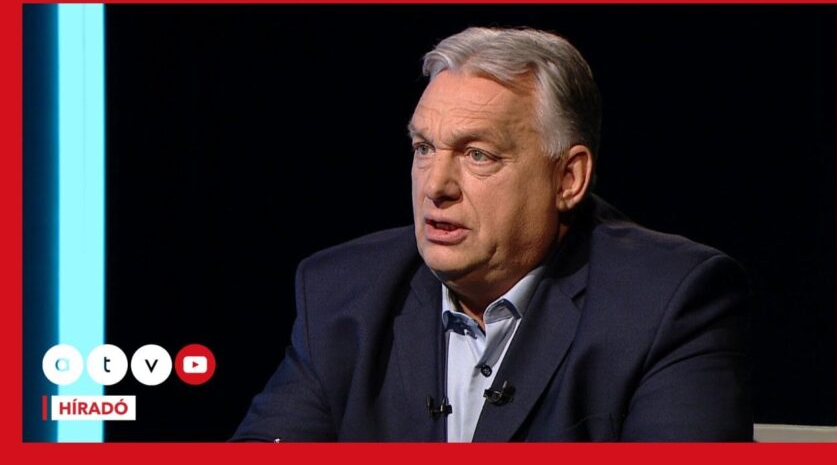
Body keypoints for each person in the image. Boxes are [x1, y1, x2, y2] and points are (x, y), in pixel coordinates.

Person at [231, 26, 752, 442]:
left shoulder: (666, 302)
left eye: (478, 154)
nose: (436, 186)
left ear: (568, 179)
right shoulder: (341, 292)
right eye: (423, 149)